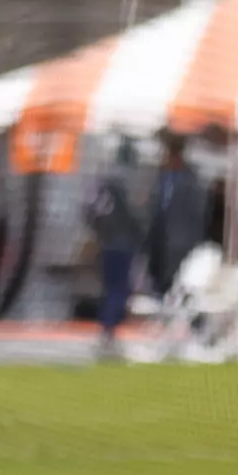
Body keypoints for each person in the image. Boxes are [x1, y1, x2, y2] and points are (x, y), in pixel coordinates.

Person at [86, 138, 143, 356]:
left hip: (109, 243)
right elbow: (130, 216)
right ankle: (109, 329)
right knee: (118, 289)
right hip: (121, 244)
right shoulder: (122, 184)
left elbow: (91, 212)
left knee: (112, 288)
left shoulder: (105, 182)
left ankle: (108, 329)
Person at [145, 132, 207, 298]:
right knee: (156, 279)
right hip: (156, 238)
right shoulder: (159, 175)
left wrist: (192, 240)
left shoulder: (191, 179)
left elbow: (198, 213)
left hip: (180, 241)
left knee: (175, 280)